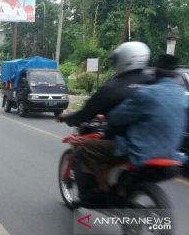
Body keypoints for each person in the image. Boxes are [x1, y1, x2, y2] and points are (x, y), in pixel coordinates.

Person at [73, 54, 188, 205]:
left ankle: (95, 193)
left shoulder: (147, 93)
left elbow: (117, 118)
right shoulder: (182, 96)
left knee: (86, 148)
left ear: (156, 73)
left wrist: (106, 118)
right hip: (172, 157)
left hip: (139, 151)